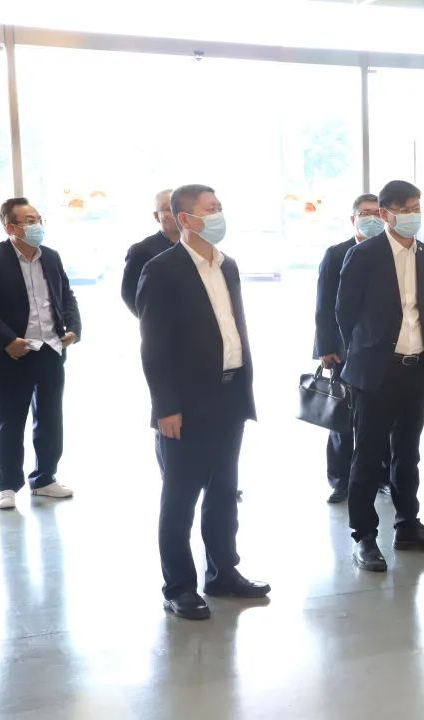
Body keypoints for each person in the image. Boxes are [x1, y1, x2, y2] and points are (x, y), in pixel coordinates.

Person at [137, 184, 269, 620]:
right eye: (210, 209)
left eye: (220, 207)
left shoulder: (226, 265)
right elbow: (154, 345)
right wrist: (165, 407)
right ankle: (178, 587)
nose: (218, 214)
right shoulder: (162, 269)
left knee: (224, 491)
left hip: (229, 395)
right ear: (185, 219)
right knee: (180, 498)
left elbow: (232, 326)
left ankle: (222, 572)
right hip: (186, 404)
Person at [336, 179, 424, 572]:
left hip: (416, 366)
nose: (412, 215)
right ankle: (364, 536)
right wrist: (367, 350)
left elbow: (419, 308)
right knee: (368, 456)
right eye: (405, 209)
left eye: (417, 207)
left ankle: (407, 526)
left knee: (407, 453)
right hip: (375, 370)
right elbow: (344, 312)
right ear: (386, 214)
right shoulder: (364, 255)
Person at [0, 197, 80, 511]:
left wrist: (73, 328)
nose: (36, 225)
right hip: (13, 353)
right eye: (29, 221)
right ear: (11, 228)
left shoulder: (51, 257)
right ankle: (6, 486)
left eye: (38, 219)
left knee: (50, 419)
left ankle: (44, 478)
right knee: (10, 421)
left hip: (51, 350)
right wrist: (7, 340)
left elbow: (66, 295)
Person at [313, 193, 389, 504]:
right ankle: (340, 480)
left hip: (381, 351)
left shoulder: (389, 251)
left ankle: (381, 476)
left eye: (377, 213)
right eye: (365, 213)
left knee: (381, 418)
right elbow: (324, 305)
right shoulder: (336, 254)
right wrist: (325, 347)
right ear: (353, 219)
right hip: (344, 351)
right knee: (342, 420)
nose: (372, 218)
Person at [121, 189, 179, 317]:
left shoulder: (197, 247)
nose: (177, 213)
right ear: (157, 216)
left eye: (180, 207)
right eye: (169, 209)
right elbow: (129, 295)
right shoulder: (141, 250)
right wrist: (153, 322)